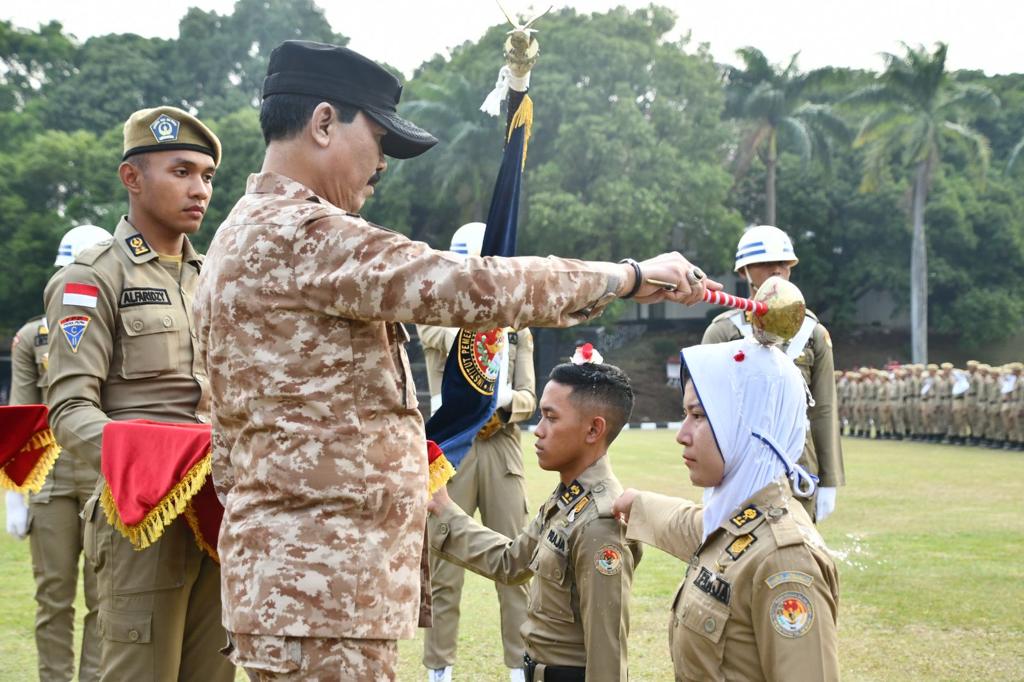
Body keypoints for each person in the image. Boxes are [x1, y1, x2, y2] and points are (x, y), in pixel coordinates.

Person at [192, 40, 713, 680]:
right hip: (319, 591)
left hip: (297, 581)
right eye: (379, 140)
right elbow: (474, 287)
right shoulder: (302, 234)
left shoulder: (236, 236)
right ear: (324, 122)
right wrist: (626, 277)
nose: (382, 164)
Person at [43, 106, 234, 682]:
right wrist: (148, 463)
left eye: (206, 176)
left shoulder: (216, 278)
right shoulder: (91, 278)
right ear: (132, 178)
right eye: (181, 171)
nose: (199, 189)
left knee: (214, 672)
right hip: (140, 514)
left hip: (220, 508)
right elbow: (70, 410)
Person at [613, 339, 840, 681]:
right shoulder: (738, 521)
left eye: (699, 416)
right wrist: (637, 504)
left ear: (748, 426)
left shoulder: (785, 560)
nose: (682, 434)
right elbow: (691, 526)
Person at [427, 360, 641, 682]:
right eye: (541, 415)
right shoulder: (567, 499)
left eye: (551, 418)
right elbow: (511, 562)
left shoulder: (600, 524)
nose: (538, 430)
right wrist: (445, 509)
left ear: (594, 430)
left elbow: (607, 655)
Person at [418, 223, 533, 682]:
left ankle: (518, 669)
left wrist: (507, 403)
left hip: (502, 445)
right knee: (444, 567)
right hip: (453, 447)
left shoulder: (517, 327)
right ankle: (438, 670)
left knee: (517, 561)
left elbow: (528, 394)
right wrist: (491, 320)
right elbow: (459, 348)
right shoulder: (435, 315)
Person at [6, 224, 110, 682]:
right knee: (53, 596)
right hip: (49, 474)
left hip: (103, 471)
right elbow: (22, 416)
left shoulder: (118, 329)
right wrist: (14, 492)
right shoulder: (32, 337)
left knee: (104, 596)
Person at [702, 225, 844, 522]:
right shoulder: (723, 331)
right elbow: (704, 410)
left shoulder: (812, 332)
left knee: (797, 551)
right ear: (744, 271)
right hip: (740, 456)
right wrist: (709, 470)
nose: (777, 270)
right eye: (766, 263)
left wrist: (830, 479)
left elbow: (824, 409)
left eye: (784, 263)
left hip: (799, 459)